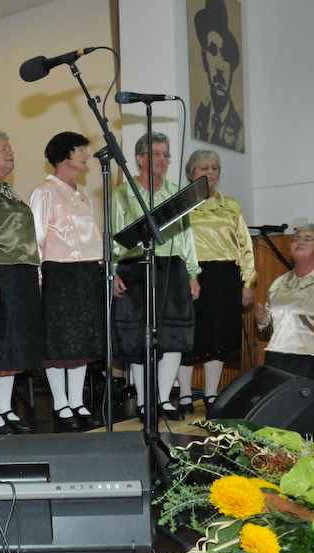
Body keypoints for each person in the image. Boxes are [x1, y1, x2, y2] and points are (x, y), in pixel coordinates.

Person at [111, 132, 201, 421]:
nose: (162, 159)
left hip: (172, 269)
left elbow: (186, 236)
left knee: (173, 335)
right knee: (139, 337)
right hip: (135, 268)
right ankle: (144, 401)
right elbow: (113, 234)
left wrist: (192, 273)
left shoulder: (176, 193)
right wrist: (112, 272)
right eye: (156, 154)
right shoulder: (122, 193)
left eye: (165, 154)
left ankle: (163, 399)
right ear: (139, 159)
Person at [29, 132, 104, 432]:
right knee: (58, 341)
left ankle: (77, 401)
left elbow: (93, 237)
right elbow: (35, 240)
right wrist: (38, 279)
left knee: (82, 340)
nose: (87, 155)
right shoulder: (45, 192)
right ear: (64, 155)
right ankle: (60, 403)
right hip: (58, 274)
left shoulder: (83, 193)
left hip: (87, 273)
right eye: (81, 150)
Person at [0, 131, 44, 434]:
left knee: (14, 342)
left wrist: (35, 273)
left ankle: (4, 406)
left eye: (10, 147)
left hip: (22, 271)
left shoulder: (8, 190)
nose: (11, 152)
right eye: (4, 148)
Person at [176, 149, 256, 413]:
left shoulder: (231, 206)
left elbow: (245, 246)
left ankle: (211, 394)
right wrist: (186, 275)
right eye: (203, 167)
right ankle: (185, 394)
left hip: (226, 277)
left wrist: (248, 282)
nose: (210, 172)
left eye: (214, 167)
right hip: (191, 275)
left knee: (219, 336)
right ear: (191, 173)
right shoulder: (181, 204)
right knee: (188, 336)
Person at [254, 223, 314, 432]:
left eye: (308, 239)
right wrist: (264, 322)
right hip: (277, 363)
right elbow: (272, 330)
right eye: (296, 239)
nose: (299, 242)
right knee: (278, 425)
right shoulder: (279, 283)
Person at [192, 0, 244, 152]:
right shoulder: (200, 116)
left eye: (226, 56)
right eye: (213, 51)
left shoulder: (239, 133)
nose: (220, 67)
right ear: (204, 59)